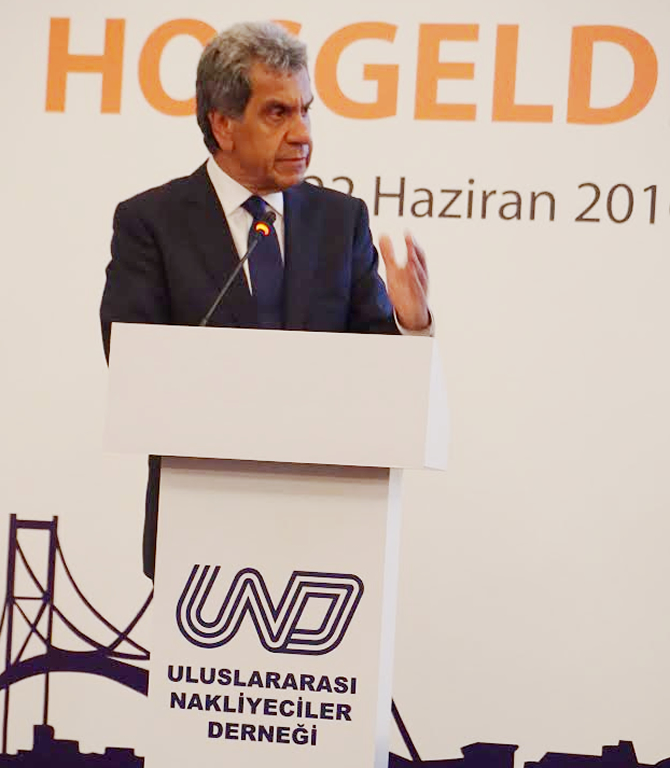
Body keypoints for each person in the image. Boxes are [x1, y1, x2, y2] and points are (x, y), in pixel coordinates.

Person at [100, 21, 432, 579]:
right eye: (278, 113)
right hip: (199, 522)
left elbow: (378, 378)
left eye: (306, 111)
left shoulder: (341, 222)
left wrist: (411, 322)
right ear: (223, 125)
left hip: (325, 528)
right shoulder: (150, 223)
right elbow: (133, 365)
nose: (302, 134)